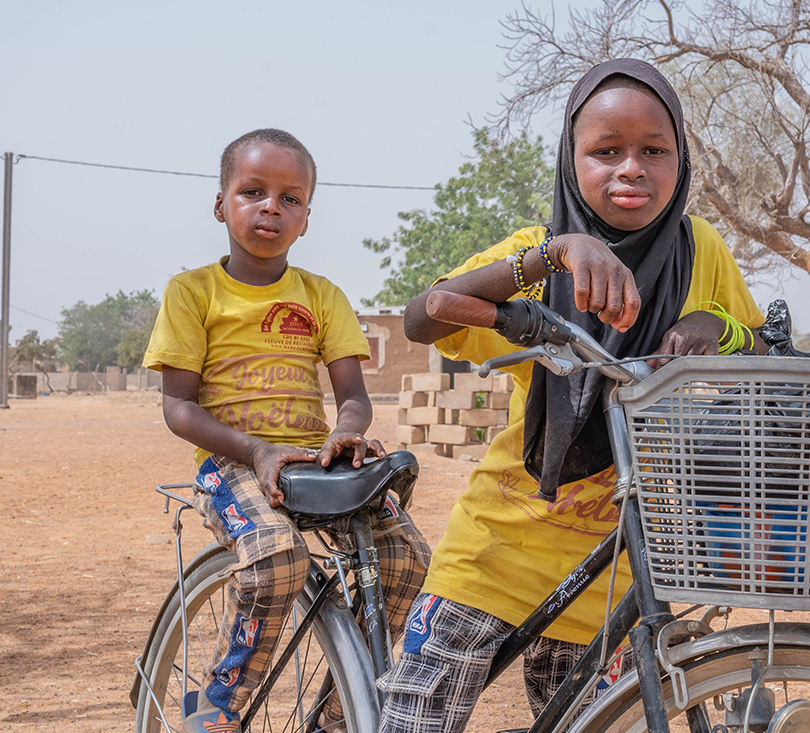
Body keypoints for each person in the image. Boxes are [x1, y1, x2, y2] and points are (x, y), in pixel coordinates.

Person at [377, 59, 767, 733]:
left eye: (654, 150)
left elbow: (760, 347)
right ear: (570, 159)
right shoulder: (539, 253)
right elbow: (423, 318)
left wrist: (717, 326)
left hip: (618, 567)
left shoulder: (701, 251)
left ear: (681, 159)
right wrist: (554, 255)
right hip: (495, 554)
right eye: (605, 151)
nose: (631, 169)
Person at [142, 128, 430, 733]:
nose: (272, 207)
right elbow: (179, 410)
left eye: (290, 198)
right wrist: (257, 450)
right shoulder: (193, 293)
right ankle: (219, 700)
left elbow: (352, 399)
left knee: (408, 559)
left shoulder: (322, 296)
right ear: (221, 204)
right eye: (253, 191)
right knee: (276, 557)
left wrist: (344, 435)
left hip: (310, 462)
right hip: (233, 461)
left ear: (306, 217)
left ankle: (337, 715)